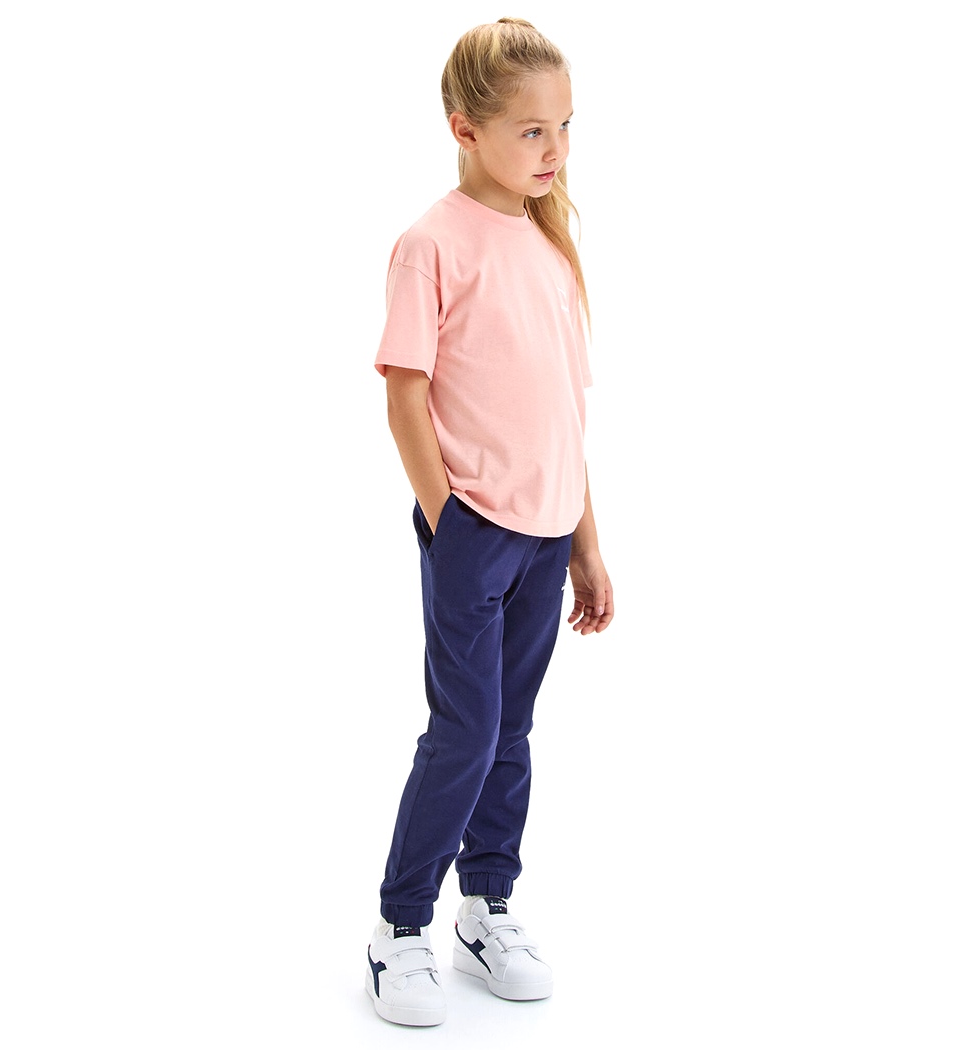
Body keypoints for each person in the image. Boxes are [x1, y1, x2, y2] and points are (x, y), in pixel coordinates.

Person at [365, 17, 614, 1027]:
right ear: (464, 128)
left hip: (548, 535)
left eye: (566, 126)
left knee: (511, 730)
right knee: (465, 732)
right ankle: (400, 927)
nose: (555, 149)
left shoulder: (550, 250)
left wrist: (587, 544)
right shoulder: (431, 244)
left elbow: (565, 415)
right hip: (474, 531)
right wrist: (449, 523)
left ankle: (486, 907)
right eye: (531, 130)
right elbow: (404, 396)